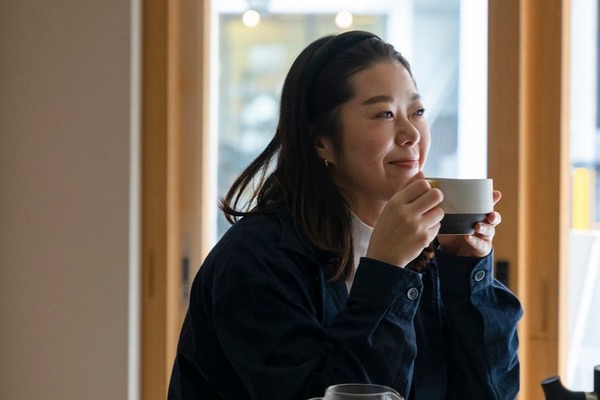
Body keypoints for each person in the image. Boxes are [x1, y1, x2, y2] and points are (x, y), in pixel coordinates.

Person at [168, 30, 522, 400]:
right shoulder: (256, 259)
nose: (411, 134)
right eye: (384, 114)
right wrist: (385, 272)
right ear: (322, 141)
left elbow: (490, 392)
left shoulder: (425, 249)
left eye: (417, 112)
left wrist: (466, 272)